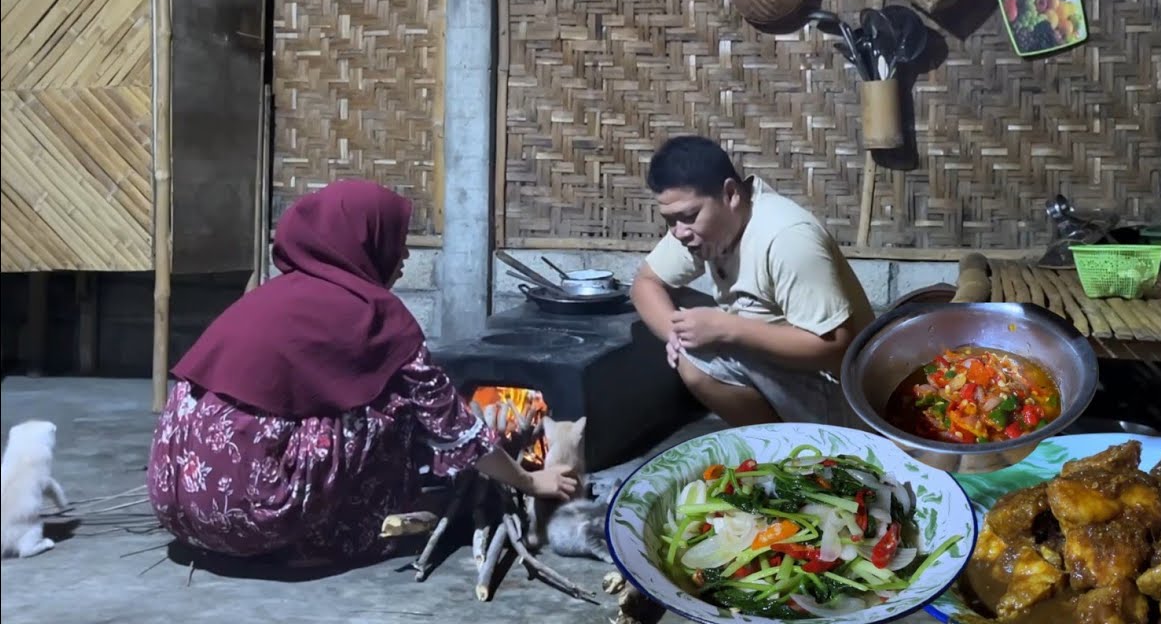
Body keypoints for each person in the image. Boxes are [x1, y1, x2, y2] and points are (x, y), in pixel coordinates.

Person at [147, 180, 576, 566]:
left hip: (175, 507)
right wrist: (529, 480)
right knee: (397, 406)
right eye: (395, 240)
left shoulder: (266, 298)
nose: (404, 254)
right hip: (256, 522)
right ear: (364, 244)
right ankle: (343, 531)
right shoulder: (374, 317)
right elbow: (454, 430)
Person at [630, 136, 876, 428]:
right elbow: (645, 283)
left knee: (698, 360)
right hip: (783, 366)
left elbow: (838, 349)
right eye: (670, 220)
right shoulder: (698, 229)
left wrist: (727, 329)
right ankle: (775, 438)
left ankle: (791, 445)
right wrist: (676, 333)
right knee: (686, 326)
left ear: (730, 194)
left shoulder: (787, 238)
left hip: (851, 396)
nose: (679, 232)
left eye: (689, 216)